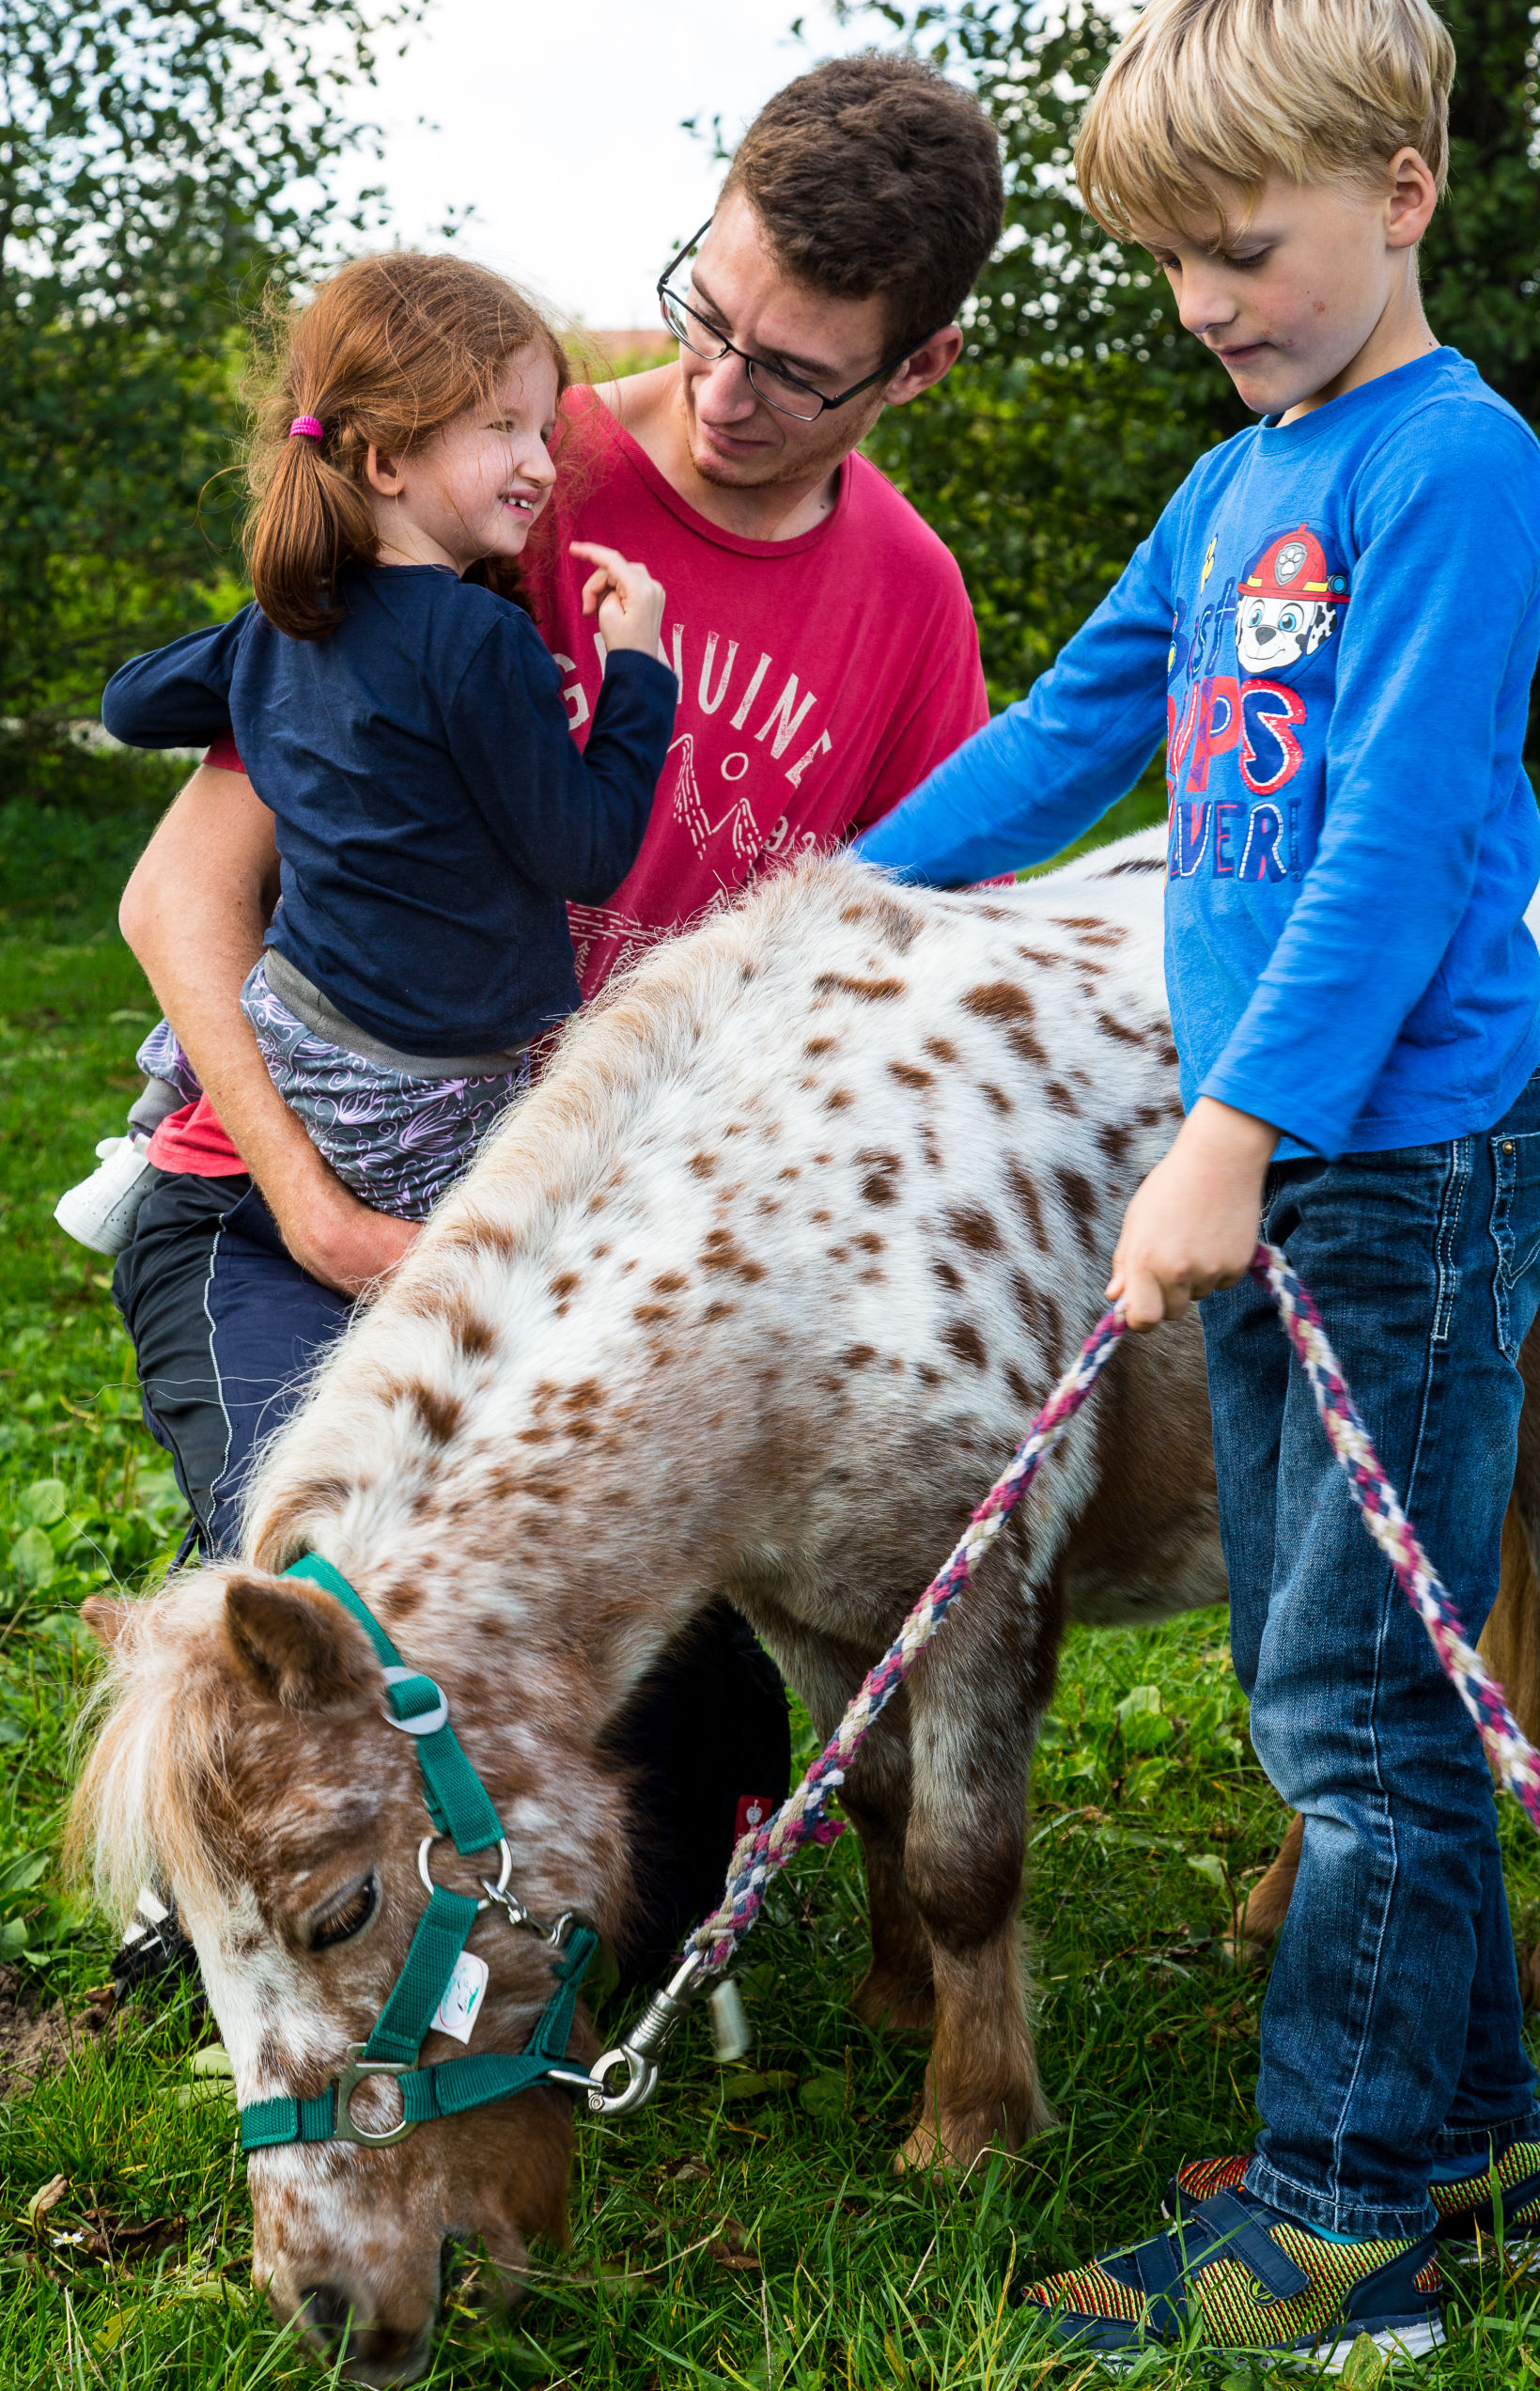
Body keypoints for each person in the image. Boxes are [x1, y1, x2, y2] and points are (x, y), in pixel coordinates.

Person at [96, 51, 1005, 1980]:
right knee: (341, 1602)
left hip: (604, 1270)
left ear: (910, 372)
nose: (718, 390)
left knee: (656, 1860)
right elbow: (183, 892)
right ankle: (248, 1878)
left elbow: (929, 980)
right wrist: (319, 1212)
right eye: (706, 311)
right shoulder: (495, 461)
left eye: (794, 370)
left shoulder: (908, 611)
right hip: (303, 1192)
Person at [855, 0, 1540, 2367]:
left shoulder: (1451, 472)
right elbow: (1071, 722)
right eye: (1165, 264)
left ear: (1401, 187)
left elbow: (1384, 844)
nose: (1203, 303)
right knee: (1331, 1671)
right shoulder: (1236, 471)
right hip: (1287, 1180)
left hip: (1396, 1177)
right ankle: (1468, 2130)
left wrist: (1228, 1134)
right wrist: (839, 910)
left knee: (1351, 1713)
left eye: (1239, 249)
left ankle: (1343, 2212)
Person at [101, 251, 676, 1224]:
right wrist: (639, 674)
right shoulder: (478, 638)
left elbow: (128, 708)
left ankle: (159, 1123)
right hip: (422, 1093)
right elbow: (587, 852)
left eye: (543, 427)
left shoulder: (285, 627)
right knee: (552, 1239)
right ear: (385, 460)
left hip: (284, 1027)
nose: (541, 458)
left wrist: (267, 629)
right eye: (503, 428)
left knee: (271, 986)